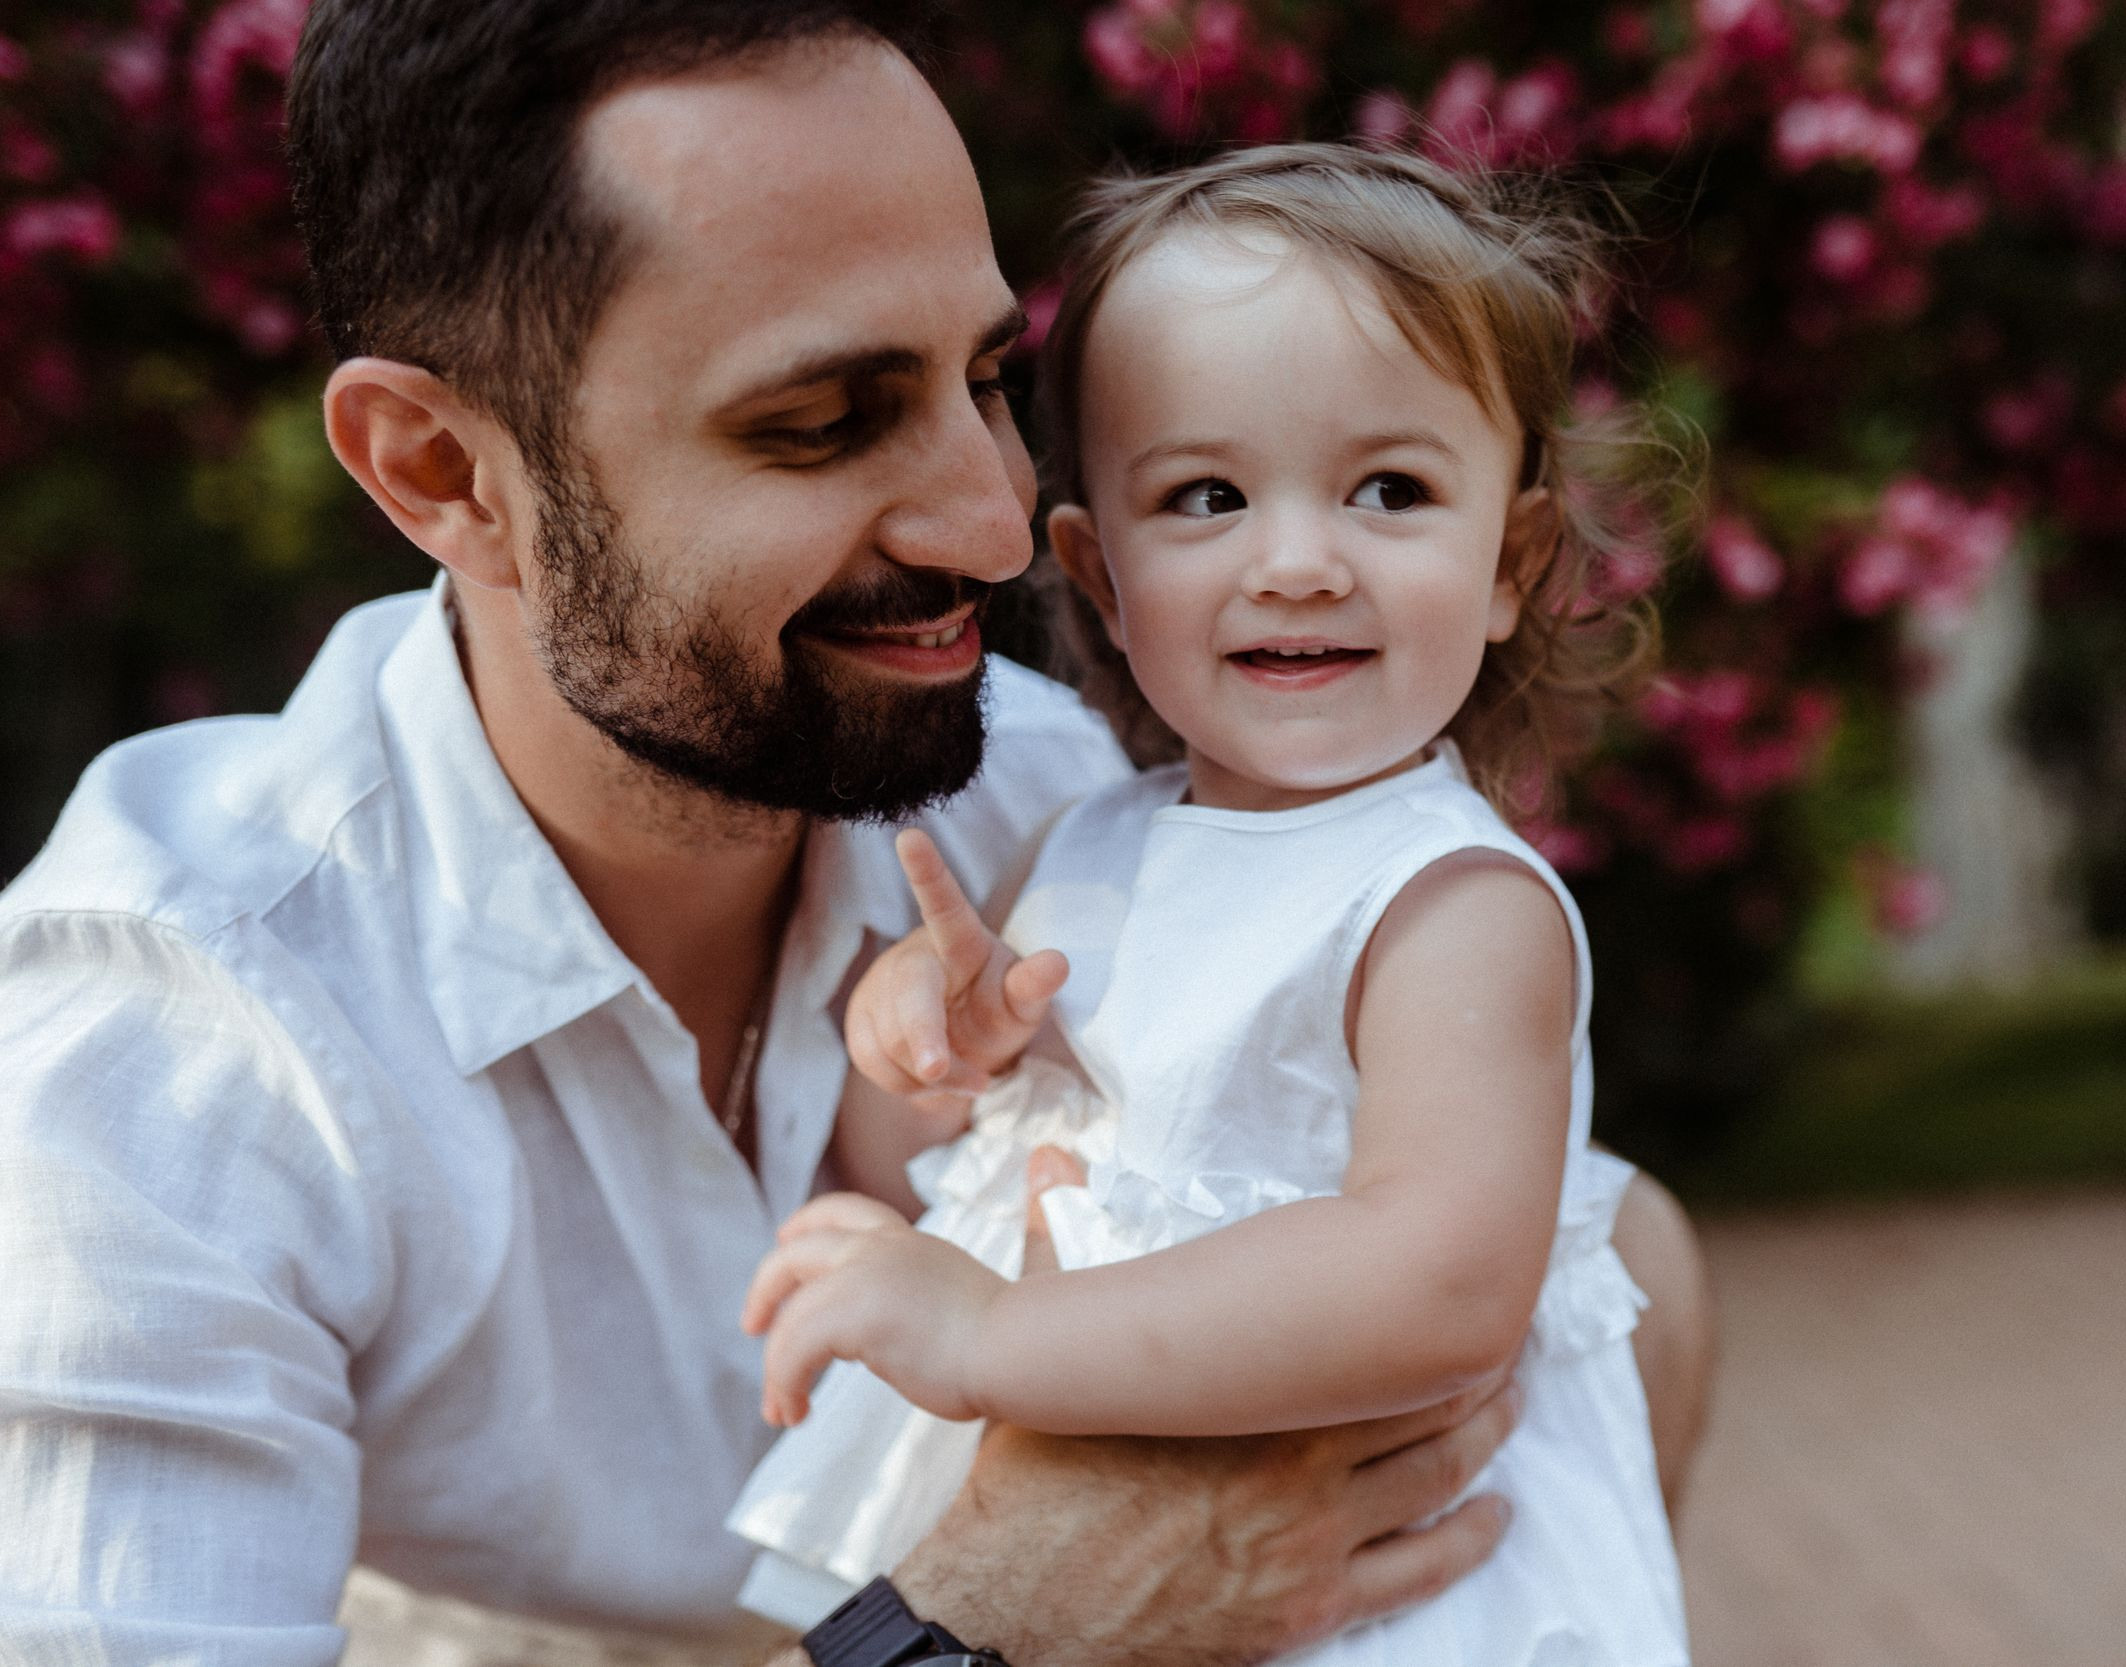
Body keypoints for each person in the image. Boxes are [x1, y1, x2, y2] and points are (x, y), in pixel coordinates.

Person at [0, 3, 1712, 1664]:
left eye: (986, 378)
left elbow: (1559, 1266)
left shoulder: (1054, 798)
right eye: (819, 421)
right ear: (444, 472)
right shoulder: (167, 1062)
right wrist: (971, 1628)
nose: (991, 524)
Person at [729, 145, 1688, 1665]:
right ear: (1101, 580)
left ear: (1510, 560)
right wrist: (920, 1046)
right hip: (1081, 1565)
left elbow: (1439, 1284)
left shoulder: (1448, 905)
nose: (1298, 561)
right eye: (1207, 495)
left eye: (1390, 489)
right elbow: (964, 1167)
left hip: (1372, 1577)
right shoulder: (1093, 843)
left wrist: (989, 1340)